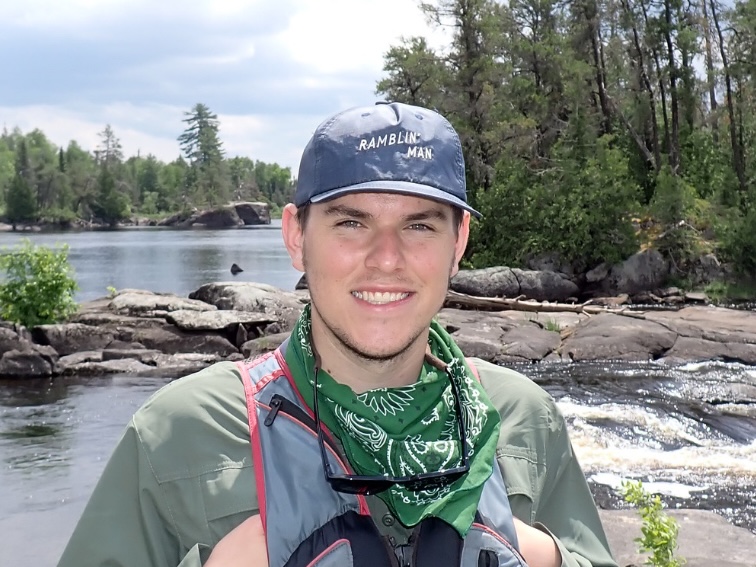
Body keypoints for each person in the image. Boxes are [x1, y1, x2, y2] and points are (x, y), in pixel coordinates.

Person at [58, 102, 618, 567]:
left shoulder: (523, 419)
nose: (386, 259)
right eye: (351, 223)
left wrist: (545, 557)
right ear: (295, 236)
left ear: (459, 242)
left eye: (419, 225)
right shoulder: (180, 433)